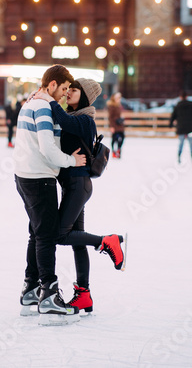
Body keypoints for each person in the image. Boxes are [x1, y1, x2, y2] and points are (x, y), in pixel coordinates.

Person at [34, 78, 126, 314]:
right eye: (68, 90)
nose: (68, 94)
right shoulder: (74, 117)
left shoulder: (85, 120)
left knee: (59, 235)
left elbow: (62, 119)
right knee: (77, 240)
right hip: (73, 185)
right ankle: (83, 294)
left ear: (84, 96)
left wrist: (47, 98)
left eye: (73, 90)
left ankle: (107, 241)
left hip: (78, 185)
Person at [14, 65, 86, 325]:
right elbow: (47, 148)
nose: (66, 94)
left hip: (23, 175)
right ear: (52, 84)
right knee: (45, 235)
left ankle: (31, 289)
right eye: (64, 88)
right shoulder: (42, 106)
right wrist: (71, 161)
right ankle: (49, 294)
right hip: (38, 177)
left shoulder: (30, 103)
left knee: (36, 233)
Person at [107, 92, 125, 158]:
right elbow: (110, 117)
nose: (119, 99)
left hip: (120, 124)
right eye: (118, 98)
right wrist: (111, 126)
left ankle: (118, 149)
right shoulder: (111, 106)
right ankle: (113, 152)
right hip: (114, 125)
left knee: (122, 137)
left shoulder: (119, 106)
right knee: (115, 138)